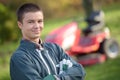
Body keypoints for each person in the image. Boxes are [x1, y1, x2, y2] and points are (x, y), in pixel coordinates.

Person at [10, 3, 86, 80]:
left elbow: (79, 71)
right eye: (31, 22)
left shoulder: (55, 48)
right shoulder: (19, 58)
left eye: (40, 21)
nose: (37, 26)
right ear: (20, 25)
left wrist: (56, 78)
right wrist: (66, 76)